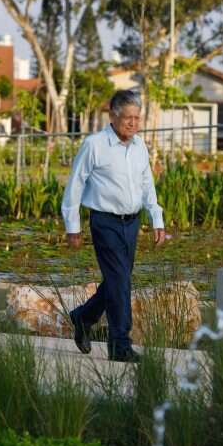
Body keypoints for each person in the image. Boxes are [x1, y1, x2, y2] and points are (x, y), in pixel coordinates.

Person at [61, 90, 166, 362]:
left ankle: (83, 317)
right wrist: (73, 227)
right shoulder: (94, 144)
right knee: (120, 282)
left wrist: (157, 219)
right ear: (113, 116)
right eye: (127, 117)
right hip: (104, 222)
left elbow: (147, 185)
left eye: (137, 118)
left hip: (132, 223)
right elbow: (75, 185)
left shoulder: (140, 146)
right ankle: (120, 345)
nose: (132, 123)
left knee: (118, 282)